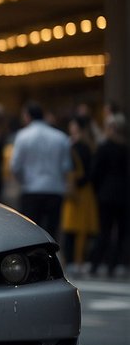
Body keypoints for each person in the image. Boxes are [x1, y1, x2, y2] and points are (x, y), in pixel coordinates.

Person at [9, 100, 72, 242]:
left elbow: (15, 166)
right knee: (52, 232)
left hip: (31, 190)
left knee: (31, 233)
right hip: (55, 189)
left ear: (27, 116)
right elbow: (66, 167)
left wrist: (23, 181)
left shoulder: (22, 136)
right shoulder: (61, 137)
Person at [87, 113, 128, 277]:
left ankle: (95, 265)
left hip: (105, 194)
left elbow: (95, 172)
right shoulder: (125, 148)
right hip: (123, 195)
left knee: (104, 231)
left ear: (112, 128)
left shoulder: (104, 147)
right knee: (120, 232)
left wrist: (97, 190)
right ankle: (113, 264)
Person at [61, 115, 99, 271]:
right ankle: (80, 260)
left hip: (75, 190)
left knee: (73, 228)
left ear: (77, 127)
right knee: (82, 228)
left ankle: (74, 260)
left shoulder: (75, 146)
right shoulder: (90, 146)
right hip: (85, 191)